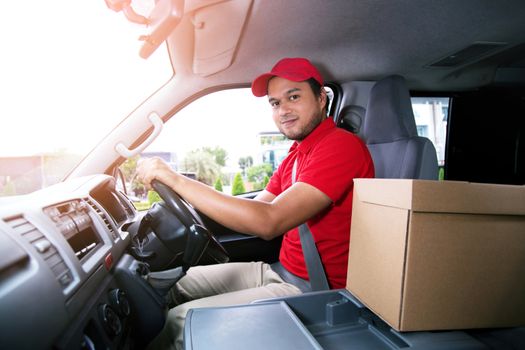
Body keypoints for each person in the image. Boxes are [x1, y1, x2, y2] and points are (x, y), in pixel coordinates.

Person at [137, 57, 375, 349]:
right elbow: (257, 207)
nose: (283, 110)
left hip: (314, 289)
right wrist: (189, 198)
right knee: (169, 283)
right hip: (277, 270)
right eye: (275, 103)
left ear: (321, 98)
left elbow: (268, 221)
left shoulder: (341, 146)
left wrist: (176, 180)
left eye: (294, 96)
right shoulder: (296, 154)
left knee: (182, 320)